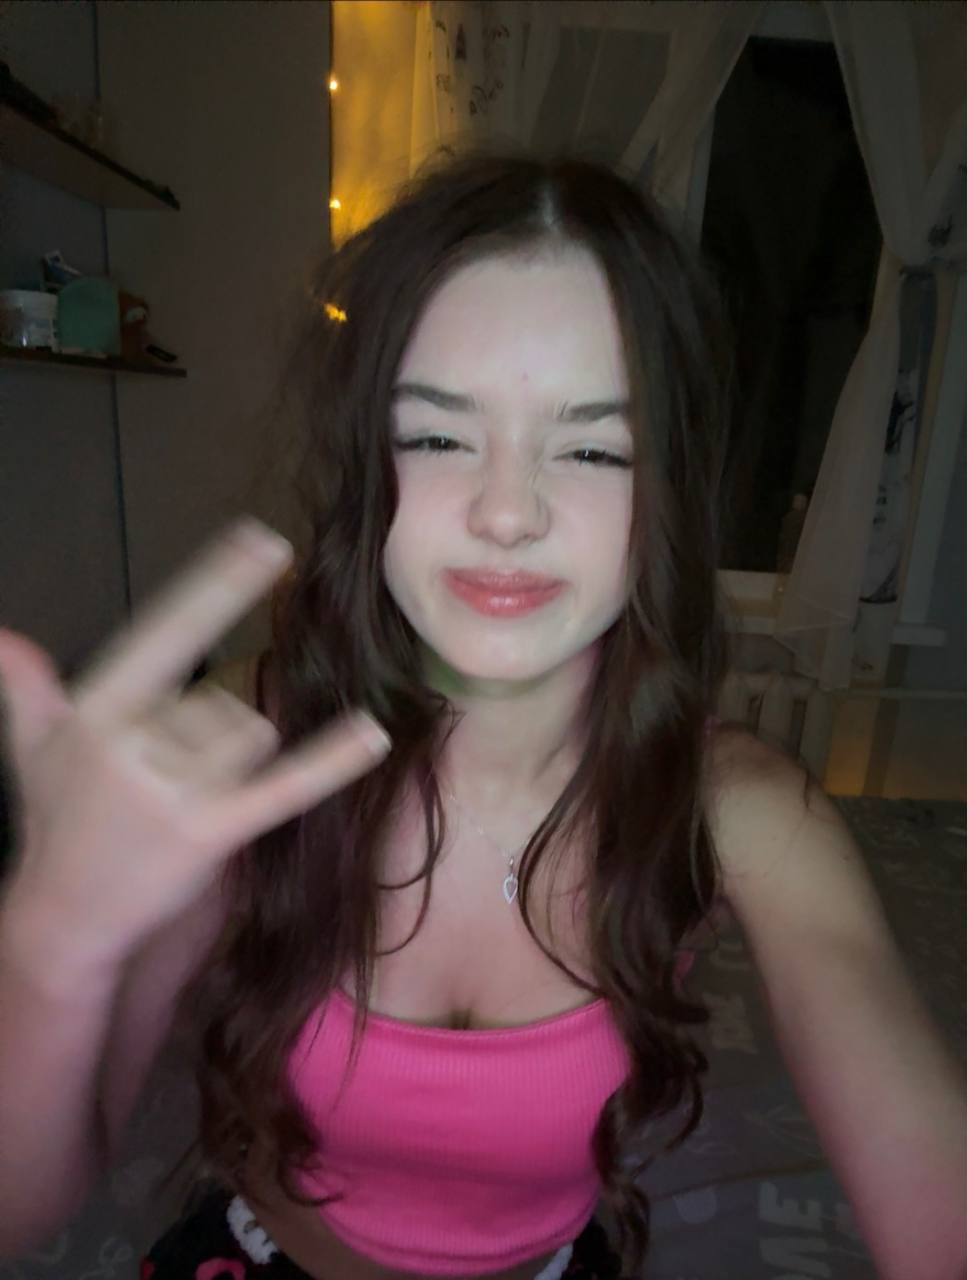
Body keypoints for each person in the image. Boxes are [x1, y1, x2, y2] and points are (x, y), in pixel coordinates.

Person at [1, 150, 965, 1280]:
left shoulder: (742, 808)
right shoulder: (246, 745)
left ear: (668, 488)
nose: (507, 512)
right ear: (371, 466)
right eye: (439, 436)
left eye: (593, 446)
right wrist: (50, 939)